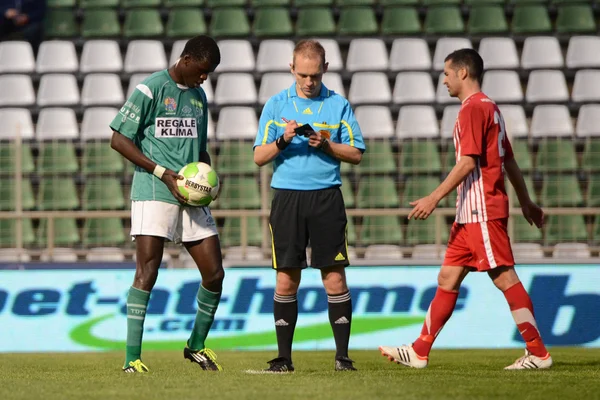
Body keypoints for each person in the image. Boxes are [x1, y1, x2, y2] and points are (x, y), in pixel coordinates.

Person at [379, 48, 552, 370]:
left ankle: (538, 353)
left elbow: (468, 161)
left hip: (480, 210)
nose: (443, 80)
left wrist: (433, 197)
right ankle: (419, 351)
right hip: (469, 213)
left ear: (462, 73)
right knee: (447, 277)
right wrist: (525, 201)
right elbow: (508, 160)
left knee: (504, 277)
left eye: (446, 73)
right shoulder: (492, 108)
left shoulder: (472, 110)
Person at [110, 35, 224, 373]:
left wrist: (209, 179)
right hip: (154, 191)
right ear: (186, 59)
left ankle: (196, 346)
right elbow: (118, 138)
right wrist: (163, 173)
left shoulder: (199, 98)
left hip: (190, 196)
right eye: (202, 71)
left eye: (209, 74)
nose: (204, 78)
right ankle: (132, 359)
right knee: (147, 272)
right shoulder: (151, 89)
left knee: (215, 274)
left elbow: (199, 150)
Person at [253, 39, 366, 373]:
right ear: (291, 69)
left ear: (325, 70)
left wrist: (327, 144)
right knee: (287, 278)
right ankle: (284, 358)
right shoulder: (275, 105)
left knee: (334, 277)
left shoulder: (339, 105)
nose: (308, 81)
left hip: (326, 197)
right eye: (302, 74)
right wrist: (283, 140)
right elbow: (259, 157)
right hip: (287, 197)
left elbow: (357, 153)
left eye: (314, 75)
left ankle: (342, 357)